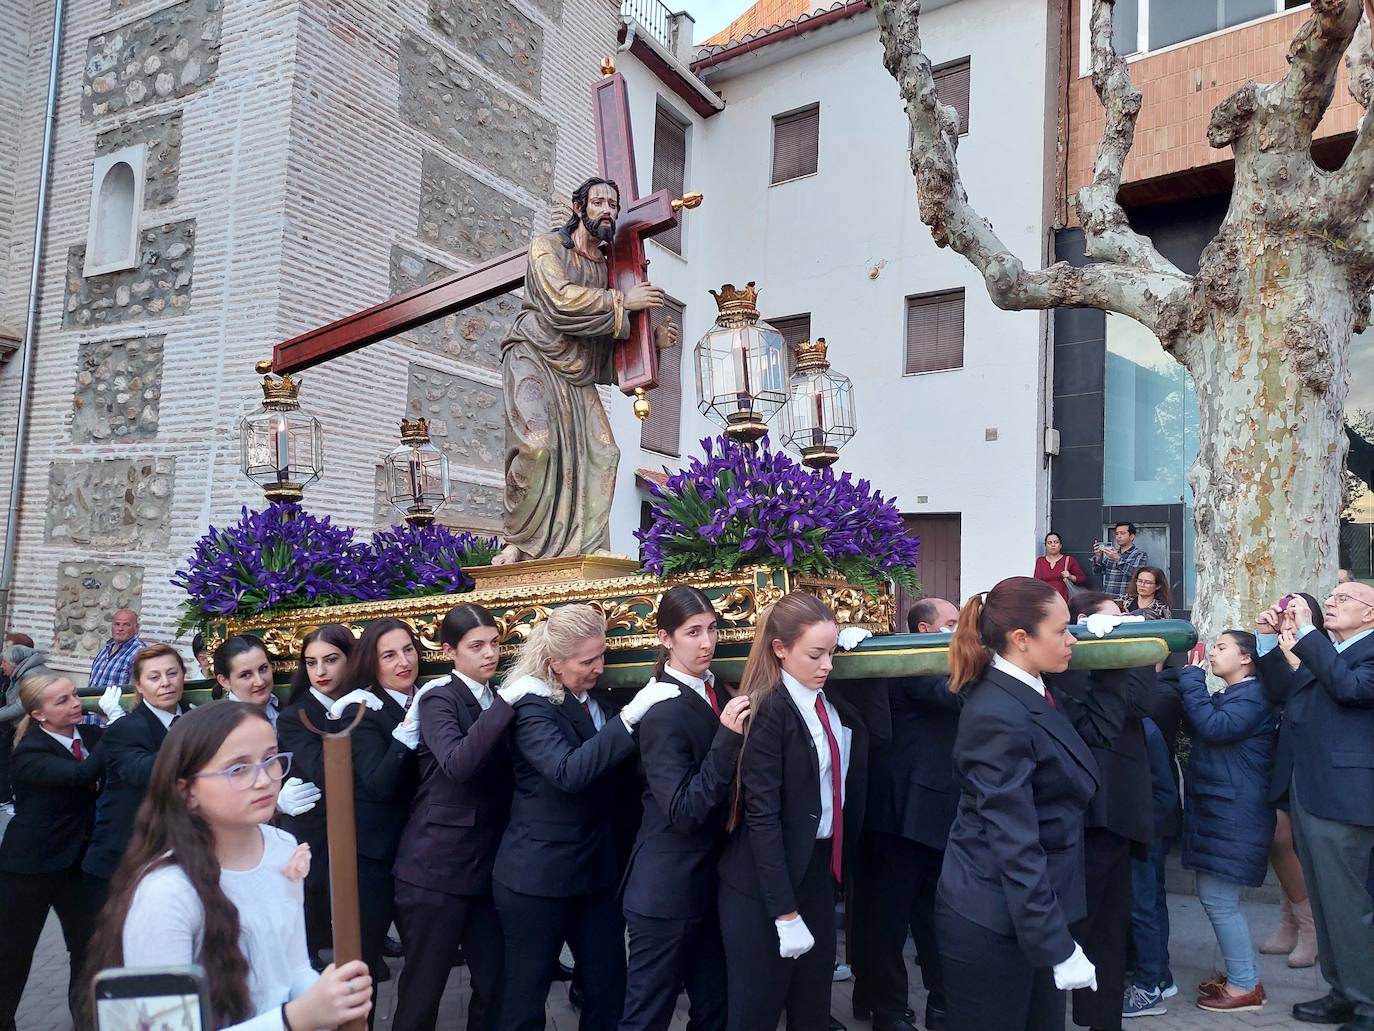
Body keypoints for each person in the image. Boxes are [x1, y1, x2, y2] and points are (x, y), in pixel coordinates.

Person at [82, 702, 373, 1031]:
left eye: (271, 759)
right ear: (187, 791)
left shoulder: (282, 847)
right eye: (238, 769)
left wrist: (332, 1000)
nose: (264, 780)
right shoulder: (166, 891)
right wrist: (296, 1018)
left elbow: (292, 968)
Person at [493, 603, 677, 1031]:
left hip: (595, 873)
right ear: (554, 663)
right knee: (526, 995)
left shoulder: (597, 700)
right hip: (536, 879)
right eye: (587, 660)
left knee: (607, 987)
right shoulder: (533, 708)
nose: (599, 667)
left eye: (602, 656)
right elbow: (568, 772)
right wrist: (631, 717)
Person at [936, 577, 1099, 1031]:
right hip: (994, 920)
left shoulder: (1030, 689)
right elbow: (1014, 842)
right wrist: (1056, 945)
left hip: (1030, 911)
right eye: (1062, 631)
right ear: (1021, 639)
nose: (1073, 640)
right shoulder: (997, 713)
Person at [493, 176, 678, 565]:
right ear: (580, 209)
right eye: (598, 203)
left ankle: (587, 549)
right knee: (538, 445)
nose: (607, 211)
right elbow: (560, 302)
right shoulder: (547, 249)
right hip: (533, 356)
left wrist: (652, 344)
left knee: (605, 452)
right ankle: (518, 541)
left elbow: (603, 355)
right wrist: (623, 302)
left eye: (612, 205)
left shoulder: (607, 270)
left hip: (576, 371)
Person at [716, 593, 869, 1031]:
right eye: (815, 654)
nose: (827, 665)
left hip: (815, 871)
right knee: (756, 1013)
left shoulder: (828, 697)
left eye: (833, 653)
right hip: (764, 883)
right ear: (780, 649)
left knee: (812, 1008)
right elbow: (761, 815)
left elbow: (878, 734)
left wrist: (871, 656)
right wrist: (783, 912)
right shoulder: (769, 709)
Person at [620, 586, 750, 1031]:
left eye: (712, 629)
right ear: (665, 638)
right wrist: (727, 739)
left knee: (715, 1009)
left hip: (710, 886)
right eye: (692, 632)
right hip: (666, 893)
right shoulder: (663, 708)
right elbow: (683, 809)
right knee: (646, 1017)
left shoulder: (713, 688)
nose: (707, 642)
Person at [392, 604, 515, 1031]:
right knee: (423, 989)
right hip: (434, 869)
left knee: (495, 979)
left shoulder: (497, 697)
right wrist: (505, 706)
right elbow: (458, 764)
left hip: (485, 868)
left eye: (495, 643)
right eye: (476, 645)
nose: (490, 654)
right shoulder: (439, 697)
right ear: (449, 650)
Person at [1256, 588, 1374, 1029]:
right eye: (1331, 596)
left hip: (1347, 796)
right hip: (1311, 791)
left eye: (1343, 597)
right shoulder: (1332, 650)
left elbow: (1350, 688)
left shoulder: (1362, 650)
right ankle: (1342, 991)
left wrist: (1307, 632)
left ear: (1370, 613)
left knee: (1350, 905)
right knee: (1326, 904)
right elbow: (1287, 691)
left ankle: (1367, 1002)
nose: (1332, 601)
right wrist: (1268, 642)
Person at [1045, 593, 1156, 1031]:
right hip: (1081, 808)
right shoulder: (1068, 655)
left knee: (1111, 927)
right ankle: (1048, 1013)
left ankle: (1102, 1020)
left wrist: (1123, 645)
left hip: (1121, 808)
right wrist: (1097, 650)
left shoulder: (1130, 654)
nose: (1124, 621)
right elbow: (1088, 712)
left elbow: (1145, 703)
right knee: (1073, 921)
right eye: (1115, 617)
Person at [851, 598, 960, 1031]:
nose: (957, 633)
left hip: (933, 815)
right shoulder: (913, 663)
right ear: (923, 629)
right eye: (950, 625)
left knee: (933, 917)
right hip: (897, 816)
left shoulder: (938, 661)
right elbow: (947, 693)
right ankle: (889, 1009)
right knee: (887, 921)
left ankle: (939, 1003)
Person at [325, 618, 427, 1020]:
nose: (404, 662)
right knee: (362, 964)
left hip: (426, 852)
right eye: (389, 655)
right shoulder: (361, 710)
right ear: (372, 662)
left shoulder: (433, 696)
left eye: (408, 650)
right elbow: (380, 784)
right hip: (377, 856)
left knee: (426, 963)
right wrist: (406, 731)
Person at [1174, 631, 1275, 1013]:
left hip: (1234, 813)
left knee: (1220, 901)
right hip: (1223, 810)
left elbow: (1216, 728)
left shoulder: (1252, 696)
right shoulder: (1236, 694)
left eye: (1221, 648)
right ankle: (1239, 973)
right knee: (1218, 899)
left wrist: (1190, 681)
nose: (1212, 654)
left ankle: (1244, 985)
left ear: (1246, 658)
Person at [0, 672, 106, 1031]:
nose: (75, 703)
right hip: (30, 866)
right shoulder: (29, 750)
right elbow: (80, 776)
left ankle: (86, 1022)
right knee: (13, 953)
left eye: (75, 695)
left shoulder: (91, 735)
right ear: (39, 714)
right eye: (62, 700)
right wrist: (121, 727)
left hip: (78, 865)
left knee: (89, 948)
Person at [82, 644, 196, 892]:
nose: (165, 683)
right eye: (154, 677)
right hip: (126, 857)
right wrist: (198, 742)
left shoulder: (195, 718)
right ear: (140, 685)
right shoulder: (125, 728)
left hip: (182, 854)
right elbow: (142, 771)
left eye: (172, 673)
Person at [278, 623, 356, 965]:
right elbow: (326, 773)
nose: (320, 671)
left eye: (331, 660)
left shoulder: (363, 699)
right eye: (311, 663)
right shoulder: (295, 716)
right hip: (314, 830)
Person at [1257, 593, 1321, 970]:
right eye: (1284, 611)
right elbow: (1271, 689)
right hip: (1280, 751)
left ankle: (1309, 929)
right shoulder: (1279, 646)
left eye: (1296, 610)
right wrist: (1265, 636)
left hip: (1311, 756)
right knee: (1281, 838)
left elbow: (1286, 689)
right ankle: (1293, 924)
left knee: (1291, 840)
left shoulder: (1321, 648)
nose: (1287, 617)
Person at [1122, 710, 1182, 1018]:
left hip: (1144, 835)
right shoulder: (1140, 726)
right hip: (1144, 832)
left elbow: (1164, 792)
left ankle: (1149, 986)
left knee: (1144, 907)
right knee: (1151, 904)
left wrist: (1142, 829)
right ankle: (1160, 975)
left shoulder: (1143, 729)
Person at [0, 634, 41, 811]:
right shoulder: (21, 673)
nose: (2, 665)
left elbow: (20, 705)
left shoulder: (30, 675)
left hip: (28, 725)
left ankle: (17, 801)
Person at [214, 635, 281, 728]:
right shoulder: (220, 726)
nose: (259, 682)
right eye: (245, 675)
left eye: (263, 669)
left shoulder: (287, 709)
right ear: (225, 681)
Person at [87, 608, 147, 691]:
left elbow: (137, 690)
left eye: (126, 625)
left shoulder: (139, 653)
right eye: (117, 624)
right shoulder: (106, 648)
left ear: (136, 627)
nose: (120, 628)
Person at [1091, 523, 1147, 603]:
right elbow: (1098, 571)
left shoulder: (1140, 554)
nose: (1118, 536)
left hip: (1127, 601)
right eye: (1117, 534)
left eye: (1122, 533)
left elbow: (1137, 574)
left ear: (1132, 537)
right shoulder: (1111, 552)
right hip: (1109, 599)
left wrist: (1118, 559)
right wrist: (1098, 558)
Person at [1034, 532, 1087, 604]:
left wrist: (1070, 576)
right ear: (1046, 546)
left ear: (1060, 545)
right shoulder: (1041, 561)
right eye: (1049, 543)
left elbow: (1082, 579)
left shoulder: (1068, 560)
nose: (1053, 545)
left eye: (1056, 542)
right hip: (1045, 601)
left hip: (1063, 601)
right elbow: (1036, 582)